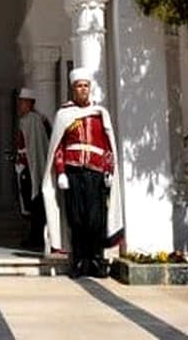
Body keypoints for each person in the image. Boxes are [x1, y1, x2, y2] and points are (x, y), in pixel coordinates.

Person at [43, 67, 124, 278]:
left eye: (86, 86)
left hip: (95, 173)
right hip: (73, 172)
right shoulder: (64, 114)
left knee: (95, 219)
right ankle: (78, 260)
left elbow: (108, 145)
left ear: (90, 88)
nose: (83, 89)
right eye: (79, 86)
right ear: (73, 89)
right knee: (77, 218)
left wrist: (109, 170)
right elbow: (58, 146)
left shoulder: (99, 114)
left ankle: (96, 260)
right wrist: (60, 171)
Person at [14, 87, 50, 250]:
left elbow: (34, 147)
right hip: (26, 166)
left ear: (29, 103)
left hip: (32, 167)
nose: (20, 106)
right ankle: (33, 237)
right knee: (30, 202)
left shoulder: (33, 120)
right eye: (19, 102)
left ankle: (37, 239)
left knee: (36, 204)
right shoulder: (27, 120)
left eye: (23, 102)